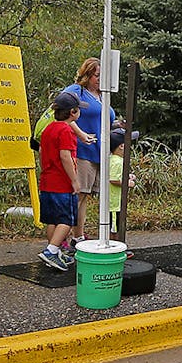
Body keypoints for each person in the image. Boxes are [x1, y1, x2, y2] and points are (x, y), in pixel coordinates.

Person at [61, 58, 116, 249]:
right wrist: (80, 133)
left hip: (99, 152)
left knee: (85, 196)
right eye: (97, 76)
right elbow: (61, 112)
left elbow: (104, 120)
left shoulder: (103, 96)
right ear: (88, 75)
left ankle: (78, 235)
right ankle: (61, 237)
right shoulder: (77, 91)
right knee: (78, 195)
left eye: (103, 76)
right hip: (82, 151)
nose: (100, 80)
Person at [37, 91, 81, 272]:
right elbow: (65, 155)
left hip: (47, 182)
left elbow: (40, 152)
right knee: (67, 220)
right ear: (73, 112)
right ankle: (51, 250)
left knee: (52, 220)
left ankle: (54, 252)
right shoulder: (66, 130)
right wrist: (74, 180)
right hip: (61, 184)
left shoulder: (49, 129)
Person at [106, 128, 137, 236]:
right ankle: (114, 246)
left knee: (116, 225)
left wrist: (127, 176)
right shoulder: (117, 162)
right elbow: (113, 179)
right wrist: (127, 183)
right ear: (122, 146)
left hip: (115, 202)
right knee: (114, 227)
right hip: (114, 204)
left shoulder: (114, 159)